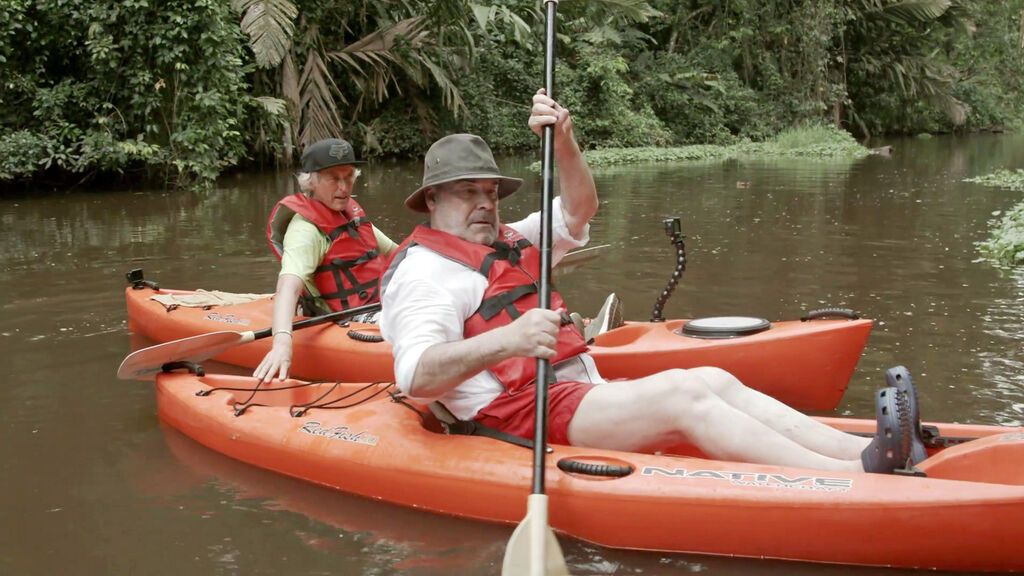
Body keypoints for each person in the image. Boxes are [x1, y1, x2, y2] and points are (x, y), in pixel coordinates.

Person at [379, 89, 924, 474]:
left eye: (491, 192)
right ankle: (855, 473)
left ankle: (860, 446)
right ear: (432, 199)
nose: (484, 202)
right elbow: (416, 377)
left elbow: (577, 210)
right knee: (684, 393)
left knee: (712, 376)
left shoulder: (506, 237)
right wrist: (510, 341)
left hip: (572, 392)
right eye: (467, 192)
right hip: (519, 416)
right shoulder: (424, 274)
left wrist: (564, 140)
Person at [255, 138, 397, 383]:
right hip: (349, 317)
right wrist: (281, 342)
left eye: (349, 176)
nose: (344, 187)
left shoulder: (350, 215)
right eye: (333, 178)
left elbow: (399, 253)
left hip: (379, 302)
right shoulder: (305, 232)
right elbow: (288, 287)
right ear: (312, 181)